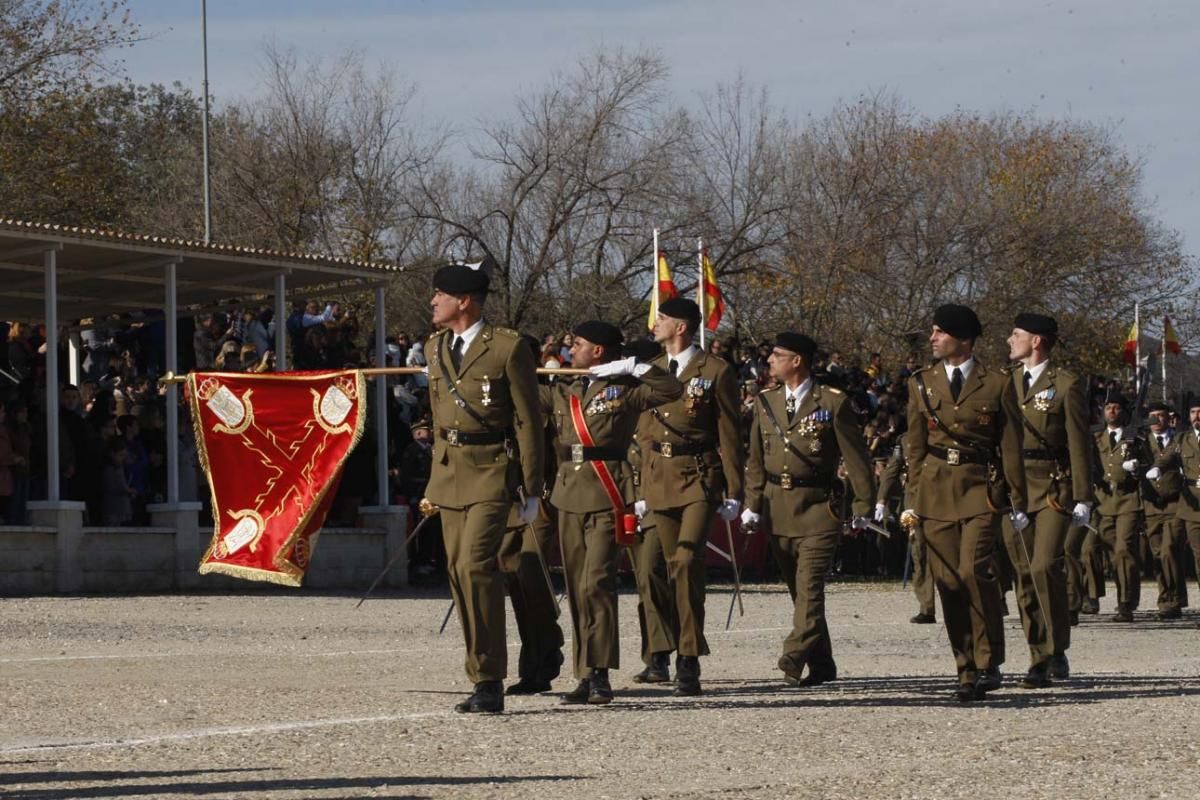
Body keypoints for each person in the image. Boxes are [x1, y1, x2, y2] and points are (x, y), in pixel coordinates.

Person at [423, 258, 544, 714]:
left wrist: (531, 488)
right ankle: (480, 674)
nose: (433, 301)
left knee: (476, 566)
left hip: (493, 470)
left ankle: (490, 678)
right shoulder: (434, 348)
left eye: (440, 294)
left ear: (464, 301)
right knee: (457, 572)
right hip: (450, 472)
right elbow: (437, 417)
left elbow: (529, 421)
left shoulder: (506, 349)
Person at [540, 321, 681, 704]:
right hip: (568, 494)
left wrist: (633, 367)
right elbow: (516, 395)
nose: (572, 351)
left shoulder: (625, 388)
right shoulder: (564, 388)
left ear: (599, 351)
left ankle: (600, 672)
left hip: (607, 491)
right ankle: (584, 673)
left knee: (596, 582)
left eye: (579, 345)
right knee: (576, 588)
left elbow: (672, 389)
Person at [903, 304, 1028, 702]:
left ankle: (989, 658)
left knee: (974, 571)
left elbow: (1010, 447)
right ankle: (966, 668)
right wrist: (911, 500)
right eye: (934, 332)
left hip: (980, 490)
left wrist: (1016, 499)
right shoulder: (921, 383)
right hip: (935, 490)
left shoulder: (997, 383)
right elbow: (915, 448)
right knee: (948, 584)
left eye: (941, 332)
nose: (933, 338)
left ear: (964, 339)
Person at [742, 332, 875, 687]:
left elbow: (856, 457)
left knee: (810, 588)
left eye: (777, 355)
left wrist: (864, 503)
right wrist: (752, 504)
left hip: (818, 508)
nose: (770, 360)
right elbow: (756, 459)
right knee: (798, 593)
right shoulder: (766, 401)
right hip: (777, 507)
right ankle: (823, 664)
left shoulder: (832, 402)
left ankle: (794, 652)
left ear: (797, 360)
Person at [633, 298, 743, 696]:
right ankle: (661, 651)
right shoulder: (652, 372)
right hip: (659, 478)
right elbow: (644, 433)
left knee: (685, 561)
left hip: (698, 476)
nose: (655, 324)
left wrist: (735, 490)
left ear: (681, 326)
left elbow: (729, 433)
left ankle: (689, 657)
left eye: (661, 318)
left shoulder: (714, 371)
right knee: (655, 566)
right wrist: (641, 486)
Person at [1001, 313, 1093, 688]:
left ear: (1036, 341)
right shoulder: (1005, 385)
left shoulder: (1065, 385)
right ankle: (1038, 654)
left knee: (1043, 567)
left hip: (1053, 489)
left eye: (1016, 334)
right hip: (1015, 487)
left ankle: (1056, 647)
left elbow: (1078, 444)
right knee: (1023, 573)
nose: (1009, 339)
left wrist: (1083, 496)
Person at [1088, 393, 1149, 622]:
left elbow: (1148, 465)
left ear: (1124, 411)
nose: (1112, 411)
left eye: (1116, 407)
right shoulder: (1096, 438)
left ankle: (1125, 603)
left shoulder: (1136, 439)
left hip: (1128, 501)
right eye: (1108, 407)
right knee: (1113, 553)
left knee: (1124, 550)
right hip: (1103, 502)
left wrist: (1137, 467)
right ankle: (1118, 594)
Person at [875, 446, 936, 623]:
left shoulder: (943, 434)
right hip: (915, 505)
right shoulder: (905, 441)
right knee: (920, 555)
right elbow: (890, 472)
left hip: (942, 502)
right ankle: (927, 607)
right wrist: (881, 500)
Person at [1140, 402, 1187, 620]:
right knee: (1158, 553)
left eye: (1161, 415)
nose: (1157, 420)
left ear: (1169, 418)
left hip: (1175, 502)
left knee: (1170, 549)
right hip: (1151, 504)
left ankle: (1172, 600)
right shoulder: (1141, 442)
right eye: (1153, 416)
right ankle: (1168, 595)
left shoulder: (1180, 439)